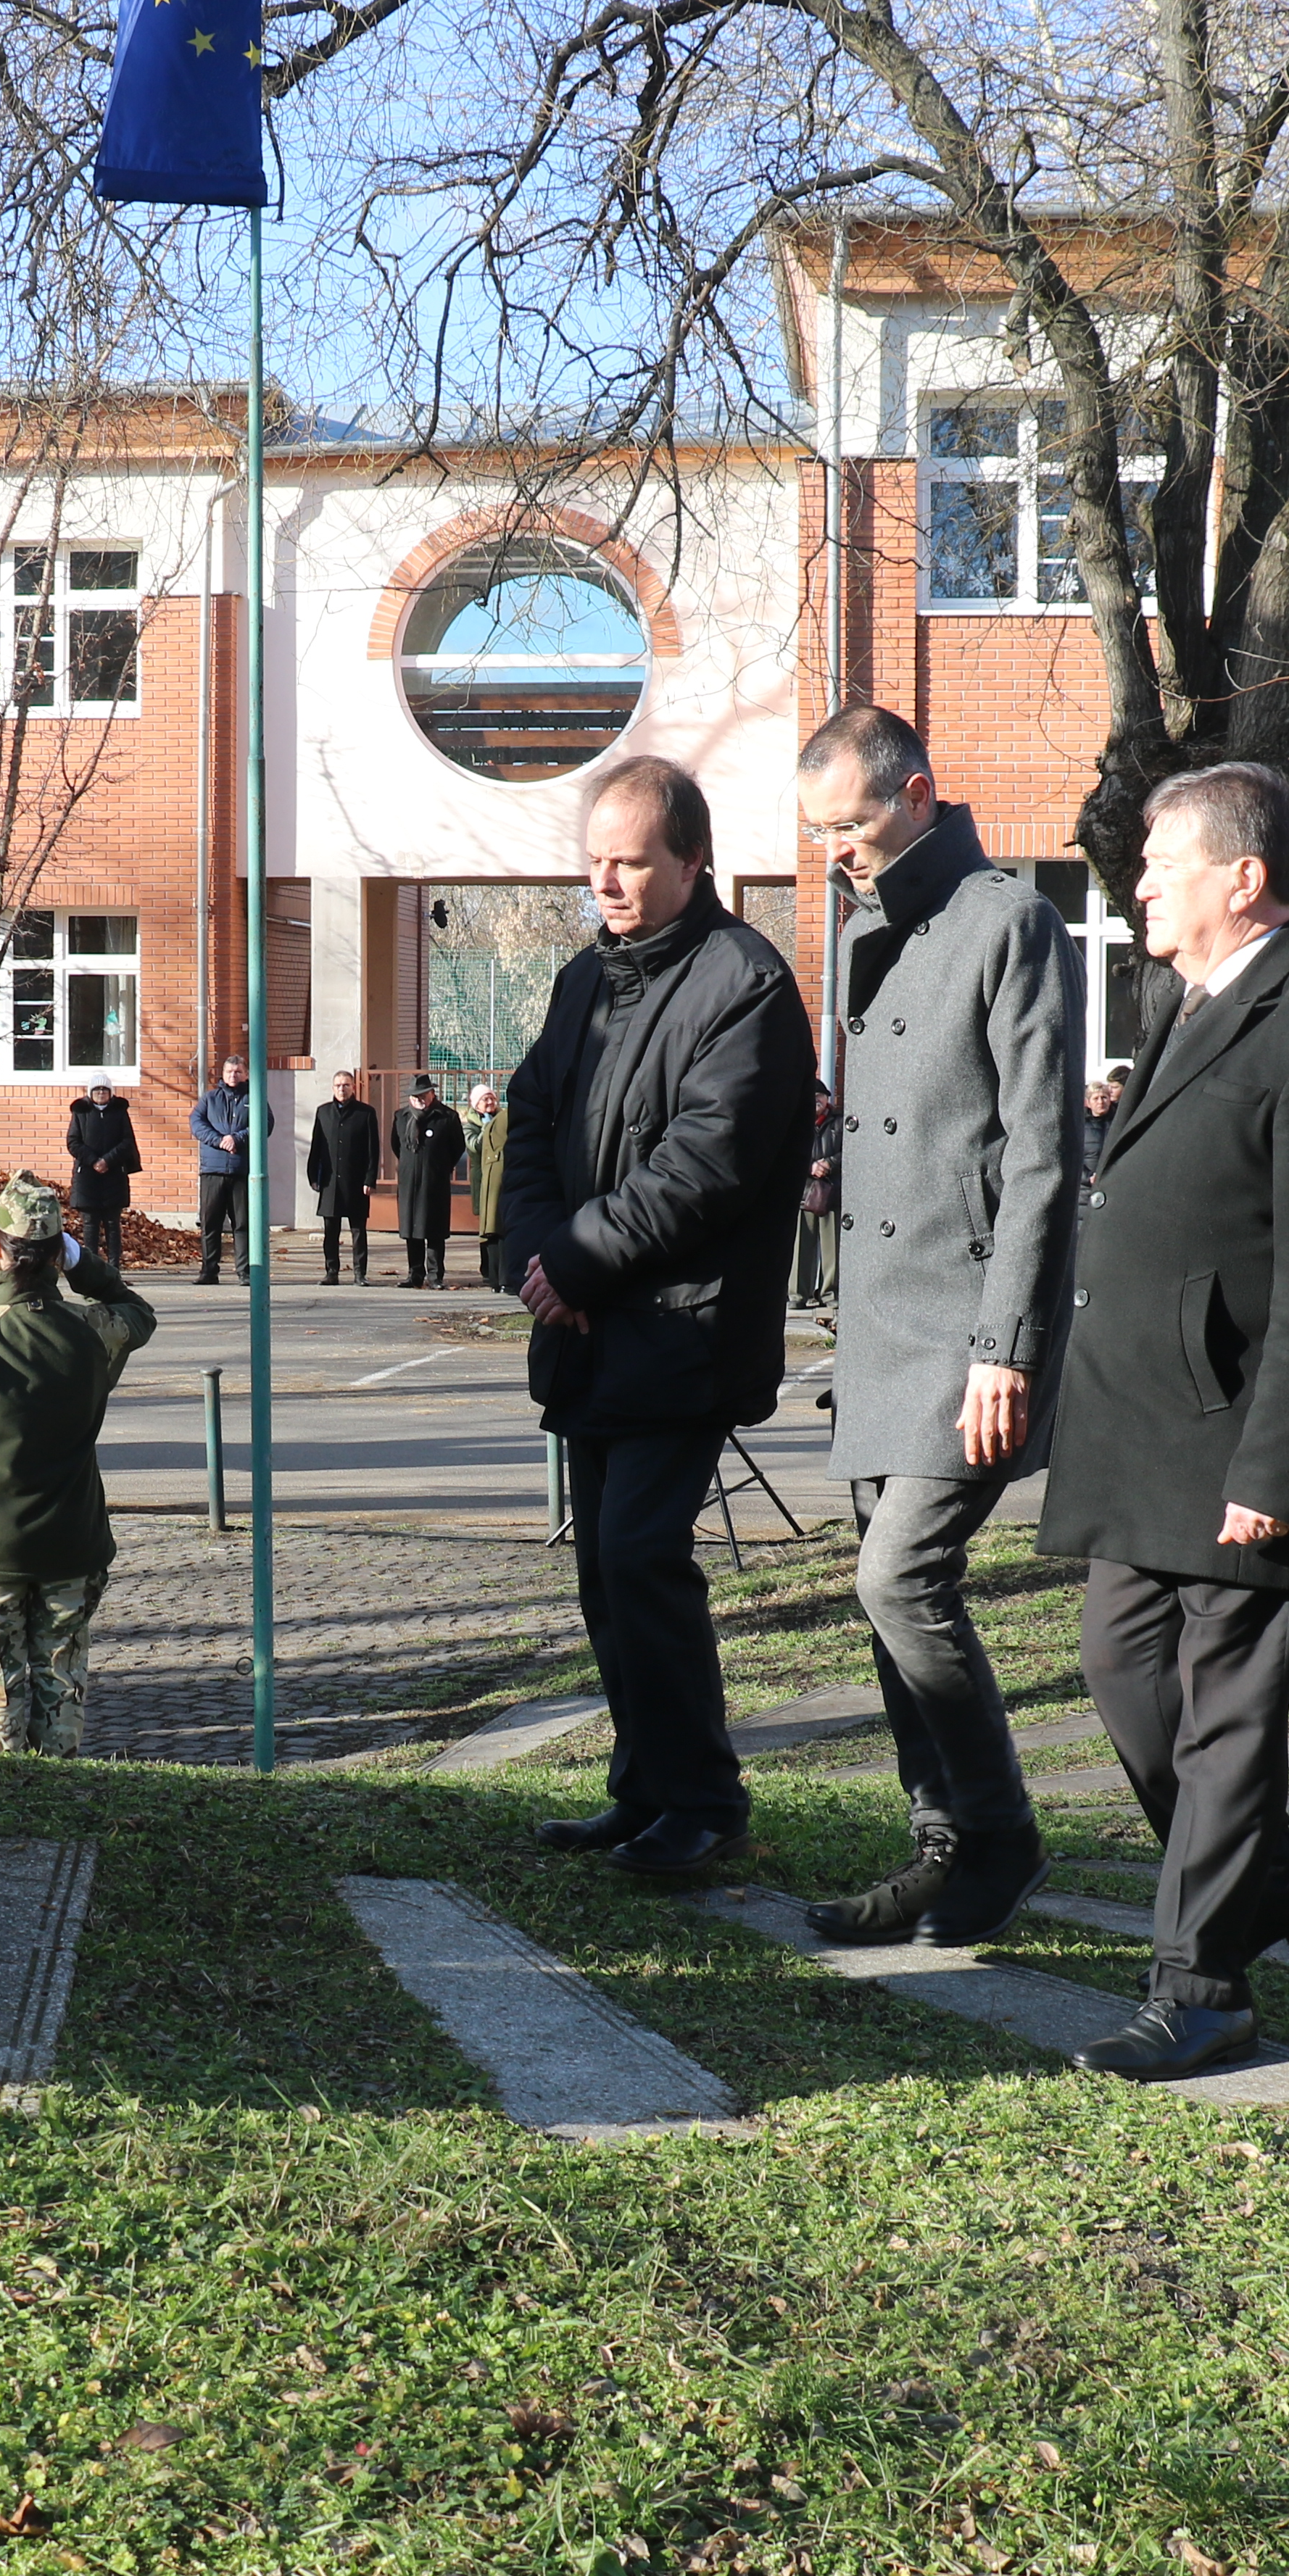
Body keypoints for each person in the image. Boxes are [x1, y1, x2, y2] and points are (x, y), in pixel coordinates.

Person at [1040, 760, 1289, 2081]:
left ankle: (1203, 1989)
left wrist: (1279, 1465)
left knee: (1226, 1717)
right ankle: (1268, 1875)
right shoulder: (1184, 1003)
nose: (1138, 884)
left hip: (1239, 1441)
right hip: (1142, 1433)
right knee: (1122, 1674)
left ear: (1242, 880)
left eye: (1161, 864)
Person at [785, 702, 1082, 1949]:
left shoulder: (1010, 921)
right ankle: (940, 1844)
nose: (836, 854)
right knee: (883, 1598)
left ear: (916, 795)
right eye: (820, 835)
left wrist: (1005, 1346)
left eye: (850, 827)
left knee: (899, 1578)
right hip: (880, 1330)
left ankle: (1001, 1836)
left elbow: (1042, 1158)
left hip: (967, 1330)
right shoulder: (866, 921)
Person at [506, 757, 813, 1881]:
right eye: (595, 862)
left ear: (693, 860)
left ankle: (703, 1800)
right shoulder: (587, 979)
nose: (609, 884)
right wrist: (540, 1260)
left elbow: (704, 1167)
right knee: (604, 1568)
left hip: (687, 1335)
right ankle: (643, 1792)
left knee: (641, 1554)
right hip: (589, 1325)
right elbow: (532, 1116)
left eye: (631, 862)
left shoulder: (746, 983)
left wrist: (576, 1266)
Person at [0, 1176, 159, 1756]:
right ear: (55, 1255)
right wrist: (84, 1264)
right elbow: (136, 1311)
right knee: (62, 1687)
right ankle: (59, 1807)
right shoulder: (92, 1331)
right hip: (74, 1540)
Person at [388, 1073, 466, 1287]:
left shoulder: (447, 1117)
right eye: (414, 1096)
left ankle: (435, 1276)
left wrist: (441, 1166)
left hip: (435, 1181)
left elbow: (457, 1147)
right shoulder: (401, 1117)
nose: (419, 1100)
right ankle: (415, 1274)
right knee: (411, 1229)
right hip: (409, 1181)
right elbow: (397, 1146)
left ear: (432, 1094)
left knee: (434, 1228)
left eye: (423, 1095)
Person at [305, 1068, 381, 1284]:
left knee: (358, 1231)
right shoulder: (323, 1112)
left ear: (354, 1088)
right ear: (332, 1088)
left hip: (356, 1182)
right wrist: (313, 1175)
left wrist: (370, 1179)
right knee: (331, 1231)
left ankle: (360, 1273)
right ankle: (332, 1272)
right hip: (330, 1182)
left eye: (346, 1085)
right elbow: (316, 1146)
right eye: (338, 1085)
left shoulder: (366, 1113)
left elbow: (372, 1150)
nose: (342, 1089)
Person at [191, 1055, 257, 1284]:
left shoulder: (255, 1098)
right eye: (230, 1071)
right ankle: (209, 1271)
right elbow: (197, 1124)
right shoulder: (210, 1099)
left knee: (243, 1224)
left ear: (246, 1074)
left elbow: (265, 1124)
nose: (234, 1076)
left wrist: (237, 1139)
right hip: (213, 1170)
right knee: (210, 1223)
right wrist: (220, 1141)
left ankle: (245, 1271)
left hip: (241, 1171)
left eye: (238, 1072)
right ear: (223, 1073)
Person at [63, 1078, 142, 1261]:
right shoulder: (81, 1112)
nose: (101, 1093)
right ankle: (93, 1266)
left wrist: (108, 1161)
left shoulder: (119, 1112)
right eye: (97, 1090)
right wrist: (93, 1161)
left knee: (113, 1225)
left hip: (114, 1176)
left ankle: (114, 1269)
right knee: (90, 1225)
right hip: (87, 1178)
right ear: (90, 1093)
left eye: (104, 1090)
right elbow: (73, 1142)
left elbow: (127, 1142)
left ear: (111, 1093)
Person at [795, 1081, 843, 1310]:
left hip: (832, 1192)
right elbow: (787, 1153)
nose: (816, 1101)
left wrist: (829, 1164)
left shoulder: (840, 1122)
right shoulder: (794, 1123)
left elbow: (853, 1150)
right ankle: (797, 1295)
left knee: (831, 1247)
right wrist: (810, 1166)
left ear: (827, 1099)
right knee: (800, 1248)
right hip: (804, 1192)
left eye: (820, 1096)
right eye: (812, 1096)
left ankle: (830, 1293)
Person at [467, 1078, 507, 1287]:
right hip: (482, 1178)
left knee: (497, 1221)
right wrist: (487, 1128)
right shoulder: (471, 1124)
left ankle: (498, 1270)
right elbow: (474, 1147)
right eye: (485, 1099)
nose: (490, 1102)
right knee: (486, 1222)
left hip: (501, 1177)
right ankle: (487, 1268)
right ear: (476, 1104)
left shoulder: (504, 1118)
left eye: (492, 1098)